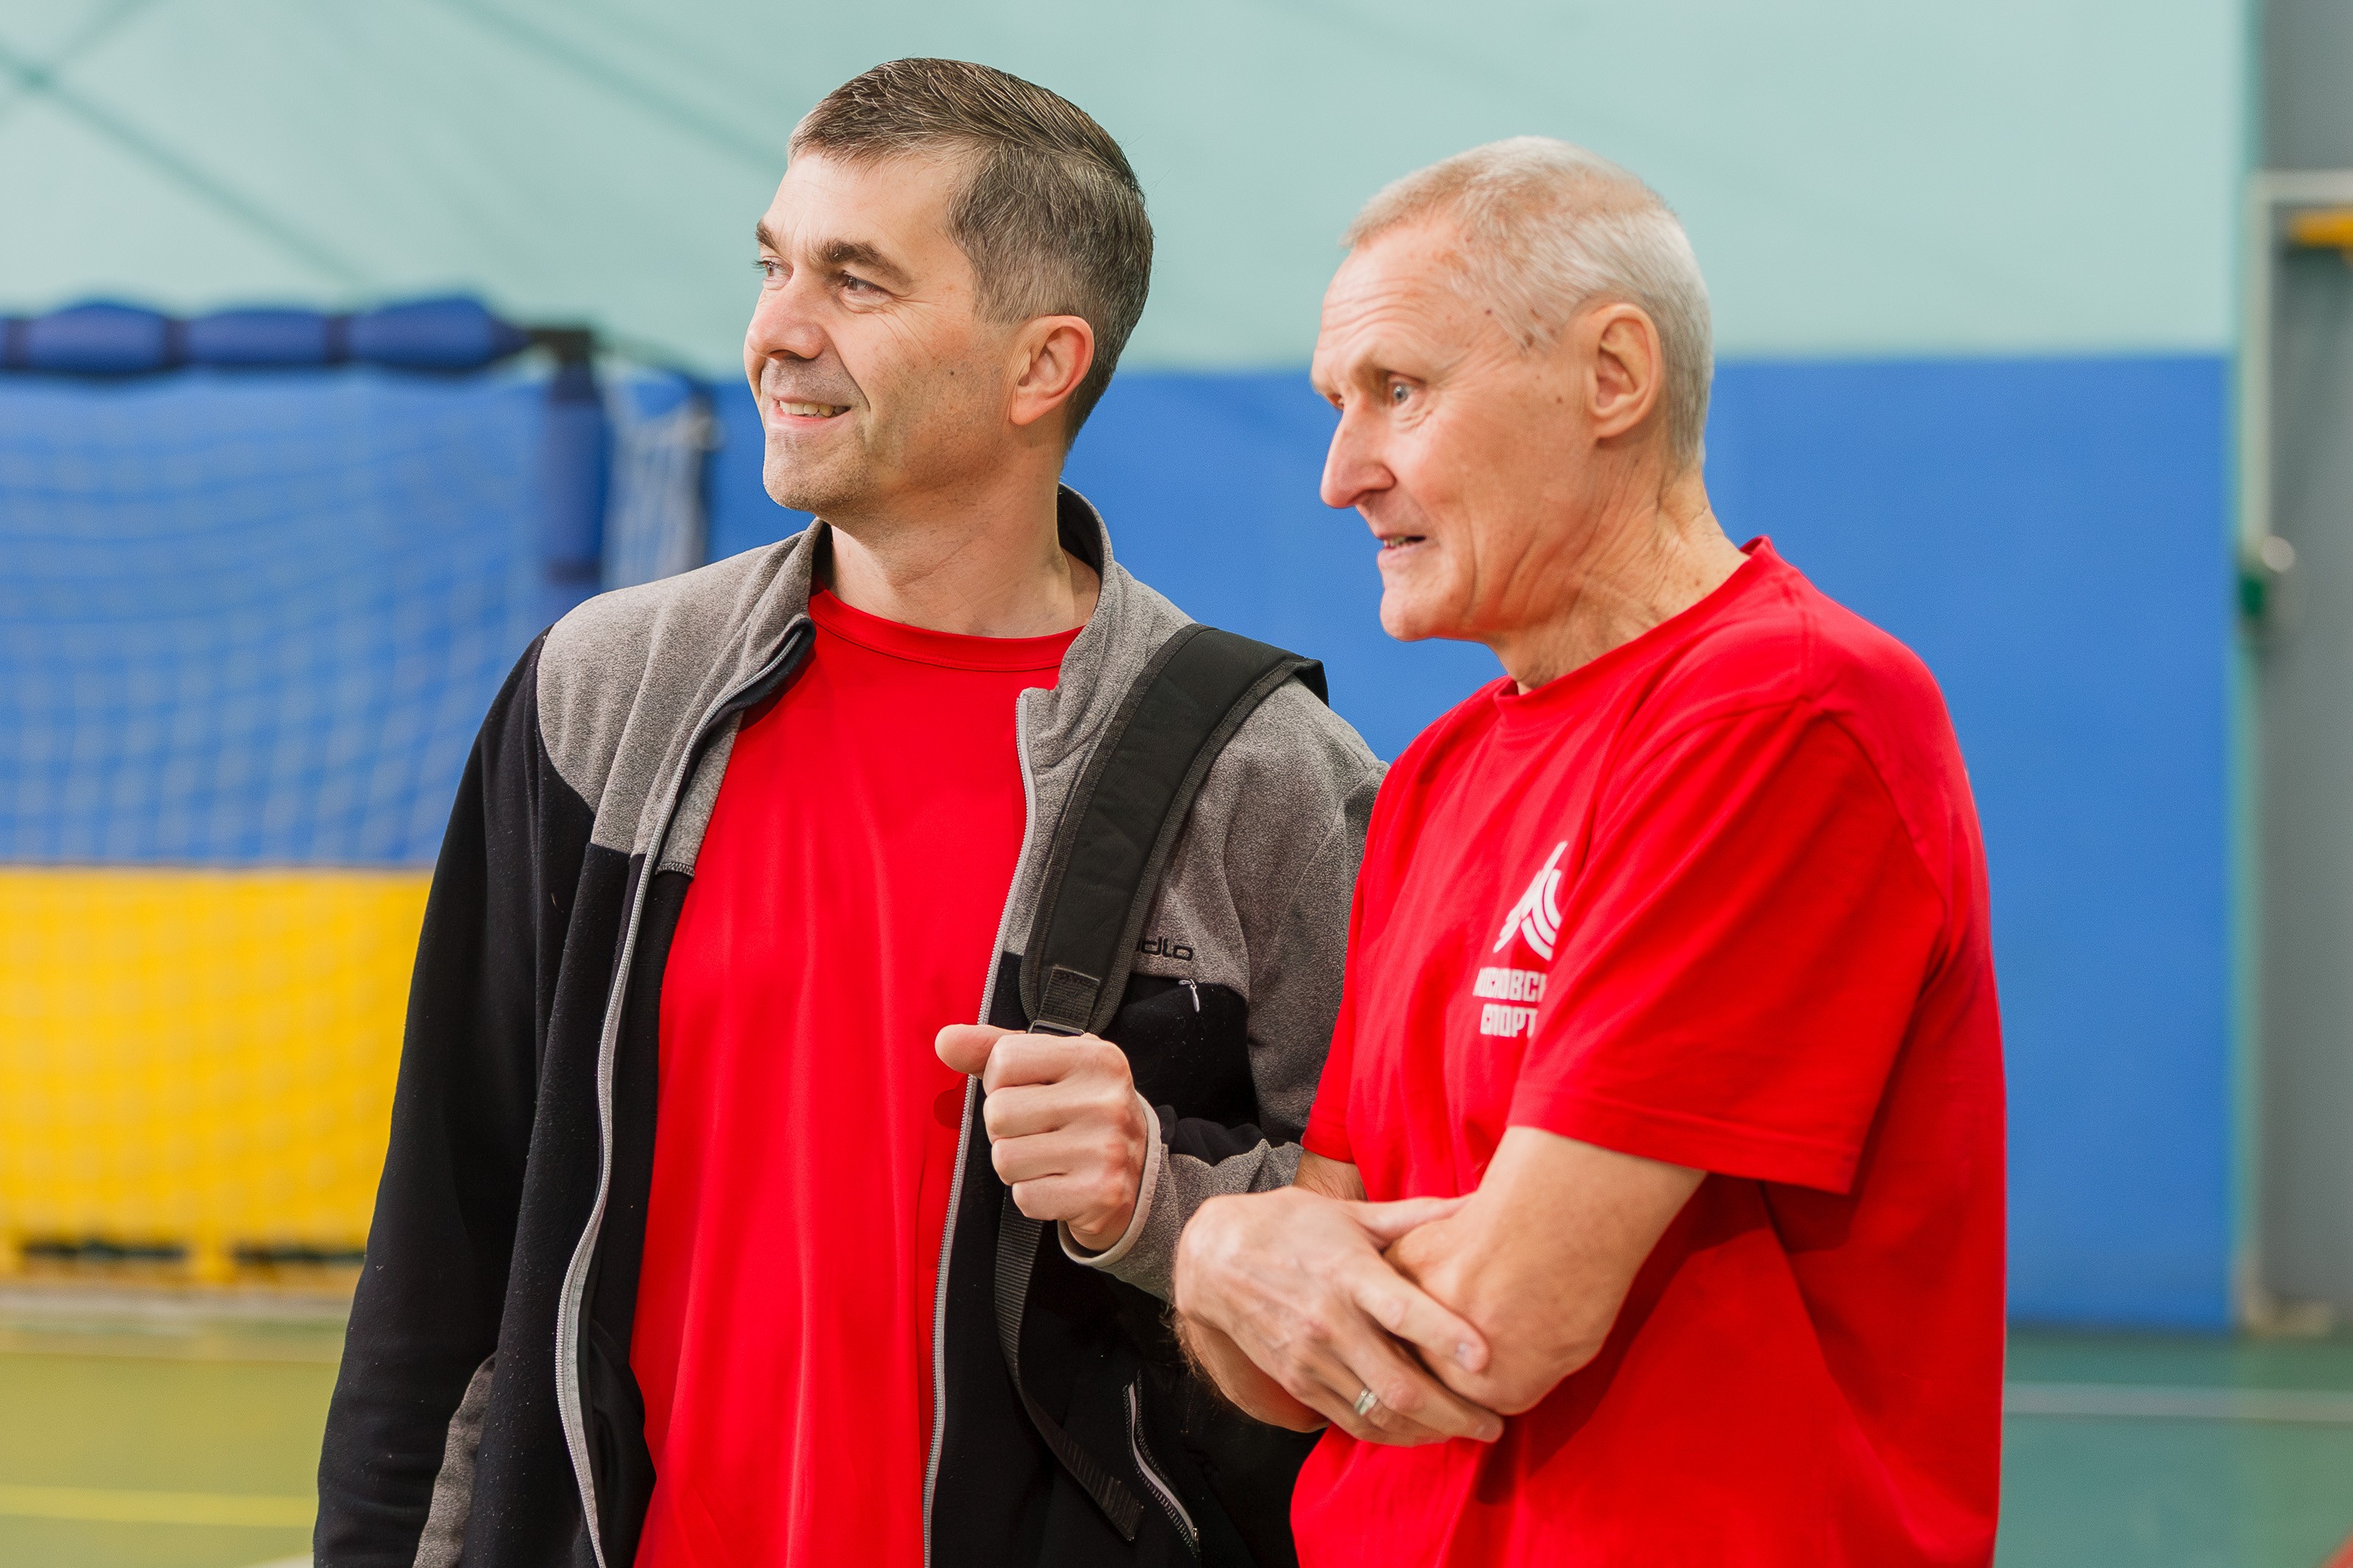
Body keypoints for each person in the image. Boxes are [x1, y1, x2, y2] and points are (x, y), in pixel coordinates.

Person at [315, 59, 1381, 1568]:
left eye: (855, 280)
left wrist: (1158, 1192)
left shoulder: (1260, 772)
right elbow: (450, 1236)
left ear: (1041, 364)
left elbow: (1385, 1235)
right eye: (773, 266)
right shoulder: (601, 695)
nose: (778, 330)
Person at [1172, 138, 2005, 1567]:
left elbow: (1504, 1320)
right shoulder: (1433, 776)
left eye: (1398, 389)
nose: (1340, 473)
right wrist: (1232, 1269)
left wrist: (1213, 1246)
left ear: (1612, 376)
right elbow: (1292, 1338)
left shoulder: (1788, 711)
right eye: (1335, 404)